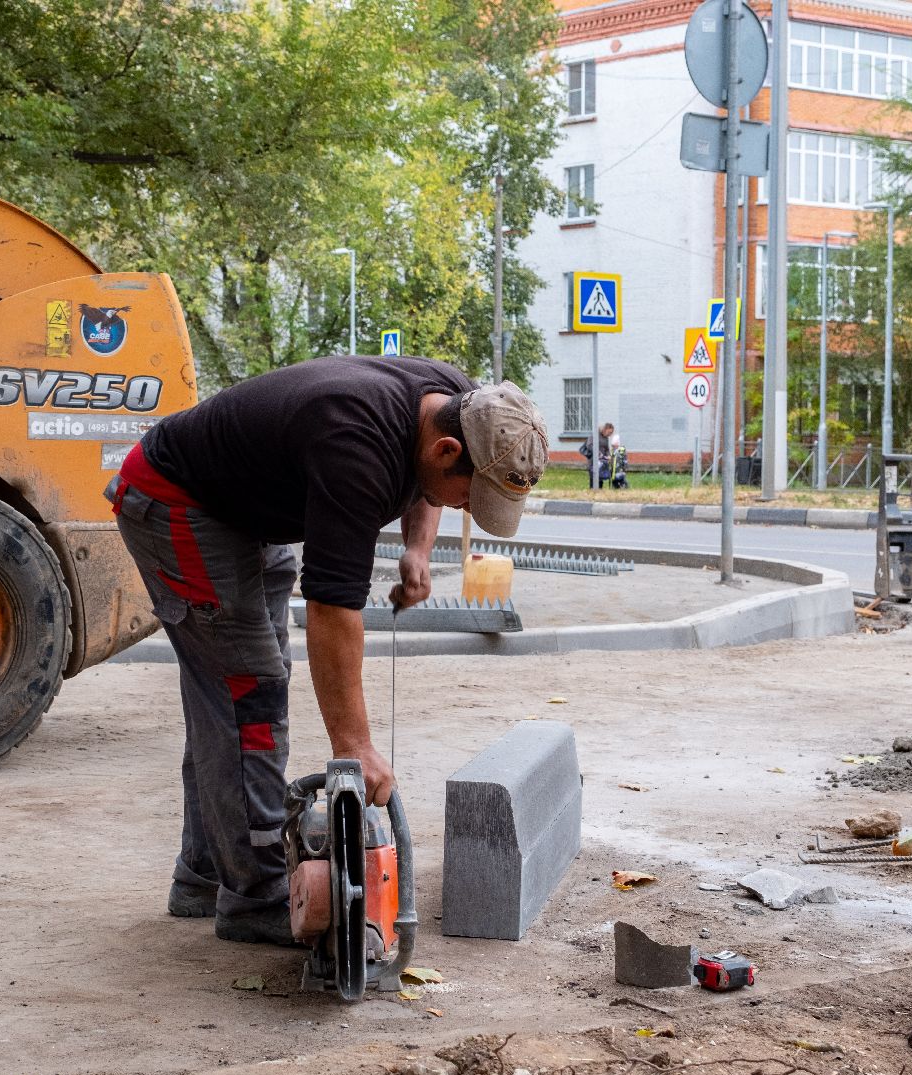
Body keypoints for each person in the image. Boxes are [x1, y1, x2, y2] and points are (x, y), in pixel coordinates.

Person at [106, 355, 548, 946]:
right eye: (473, 497)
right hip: (178, 502)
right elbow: (331, 609)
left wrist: (418, 549)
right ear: (447, 451)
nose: (470, 509)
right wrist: (354, 745)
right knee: (248, 693)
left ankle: (206, 873)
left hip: (246, 507)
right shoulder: (354, 446)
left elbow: (429, 485)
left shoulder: (464, 405)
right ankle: (254, 897)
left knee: (236, 690)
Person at [579, 422, 614, 486]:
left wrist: (608, 455)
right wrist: (598, 453)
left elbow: (606, 449)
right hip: (593, 461)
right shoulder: (595, 435)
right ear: (605, 429)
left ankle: (598, 494)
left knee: (600, 479)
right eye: (609, 432)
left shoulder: (606, 438)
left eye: (611, 433)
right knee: (594, 479)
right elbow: (589, 445)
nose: (610, 434)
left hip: (602, 462)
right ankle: (592, 493)